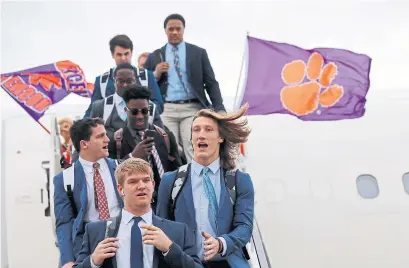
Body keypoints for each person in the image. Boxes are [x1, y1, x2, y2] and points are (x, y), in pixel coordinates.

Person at [156, 104, 254, 268]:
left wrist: (221, 243)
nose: (201, 135)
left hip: (227, 263)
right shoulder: (170, 181)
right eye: (196, 130)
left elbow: (244, 227)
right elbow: (162, 229)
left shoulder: (239, 180)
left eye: (208, 130)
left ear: (220, 137)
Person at [73, 158, 203, 268]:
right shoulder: (96, 231)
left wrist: (169, 248)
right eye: (133, 181)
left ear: (152, 185)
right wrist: (93, 261)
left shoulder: (178, 231)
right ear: (120, 189)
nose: (141, 186)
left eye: (146, 180)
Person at [144, 13, 226, 162]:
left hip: (192, 107)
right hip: (167, 108)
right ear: (165, 31)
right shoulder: (155, 56)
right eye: (171, 29)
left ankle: (198, 180)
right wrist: (156, 73)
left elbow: (211, 82)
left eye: (178, 29)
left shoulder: (198, 53)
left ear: (183, 29)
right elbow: (144, 84)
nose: (174, 32)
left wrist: (219, 107)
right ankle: (176, 181)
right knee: (168, 146)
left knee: (193, 144)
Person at [53, 118, 123, 268]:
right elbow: (64, 223)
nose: (107, 139)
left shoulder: (121, 168)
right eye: (100, 136)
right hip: (88, 249)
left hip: (122, 241)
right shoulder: (64, 179)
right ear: (84, 144)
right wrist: (67, 260)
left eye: (105, 134)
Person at [111, 84, 182, 210]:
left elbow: (177, 171)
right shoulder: (116, 140)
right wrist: (132, 157)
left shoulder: (166, 136)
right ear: (125, 111)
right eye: (134, 112)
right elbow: (111, 176)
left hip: (165, 204)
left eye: (144, 111)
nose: (140, 116)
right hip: (133, 206)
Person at [88, 63, 164, 159]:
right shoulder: (100, 107)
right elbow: (89, 137)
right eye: (120, 81)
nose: (125, 85)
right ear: (113, 81)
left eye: (129, 81)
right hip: (111, 164)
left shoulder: (151, 107)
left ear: (136, 80)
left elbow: (160, 135)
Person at [84, 35, 163, 118]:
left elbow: (159, 106)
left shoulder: (147, 77)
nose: (123, 58)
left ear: (131, 53)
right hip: (111, 129)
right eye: (119, 54)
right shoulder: (102, 81)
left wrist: (141, 112)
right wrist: (80, 128)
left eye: (126, 54)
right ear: (112, 55)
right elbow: (92, 110)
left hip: (141, 127)